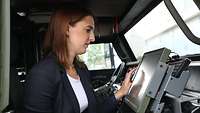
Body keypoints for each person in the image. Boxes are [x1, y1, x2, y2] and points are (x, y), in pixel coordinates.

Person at [23, 5, 135, 113]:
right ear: (66, 29)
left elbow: (94, 110)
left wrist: (121, 92)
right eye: (88, 30)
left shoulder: (81, 70)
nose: (93, 38)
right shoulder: (42, 74)